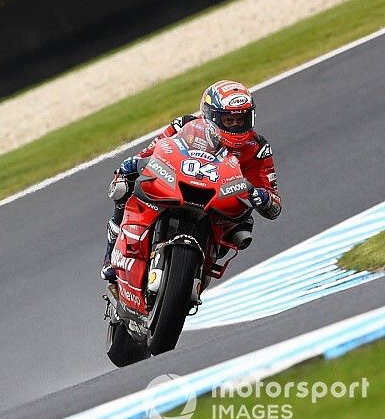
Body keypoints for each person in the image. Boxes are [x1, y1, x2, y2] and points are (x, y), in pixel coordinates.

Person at [101, 80, 281, 282]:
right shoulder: (184, 124)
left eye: (241, 120)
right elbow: (150, 152)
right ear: (211, 116)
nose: (236, 126)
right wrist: (134, 164)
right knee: (125, 183)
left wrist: (260, 196)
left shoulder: (258, 148)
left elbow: (274, 205)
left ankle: (197, 270)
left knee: (244, 226)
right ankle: (112, 251)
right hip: (178, 186)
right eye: (229, 120)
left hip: (221, 205)